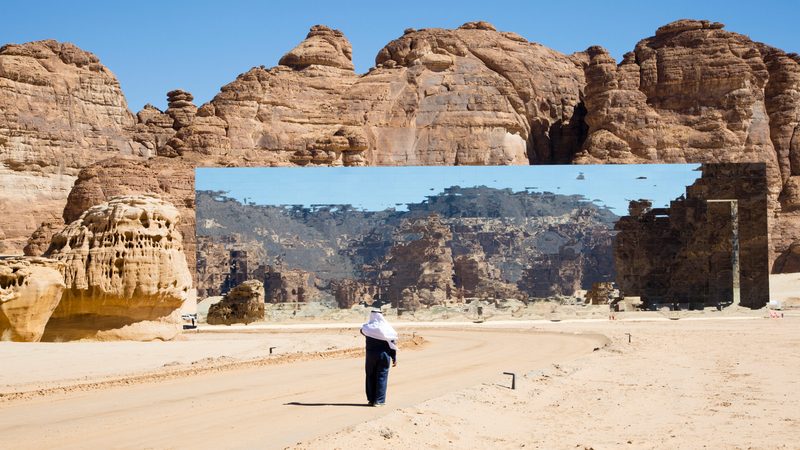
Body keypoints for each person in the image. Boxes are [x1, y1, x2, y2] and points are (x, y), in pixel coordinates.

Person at [360, 309, 398, 407]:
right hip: (384, 355)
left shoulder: (367, 328)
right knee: (382, 376)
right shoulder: (388, 329)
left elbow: (361, 331)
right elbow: (392, 343)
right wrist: (394, 357)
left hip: (371, 356)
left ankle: (371, 399)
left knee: (370, 376)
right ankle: (379, 401)